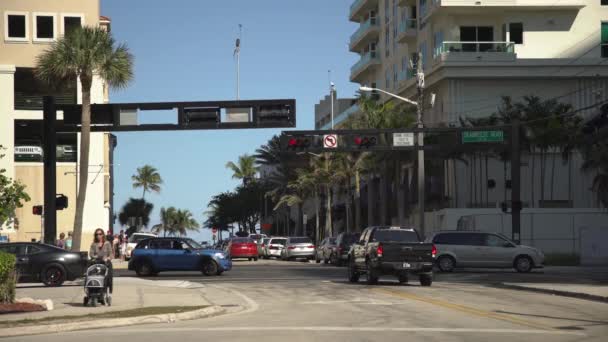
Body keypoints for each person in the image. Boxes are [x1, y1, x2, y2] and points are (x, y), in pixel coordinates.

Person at [89, 228, 113, 293]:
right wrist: (96, 257)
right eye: (96, 234)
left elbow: (111, 254)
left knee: (107, 276)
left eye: (100, 234)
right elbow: (91, 254)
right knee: (92, 275)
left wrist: (107, 258)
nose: (98, 236)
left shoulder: (107, 243)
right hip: (96, 262)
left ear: (103, 235)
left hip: (105, 262)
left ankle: (105, 291)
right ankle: (92, 290)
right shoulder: (93, 244)